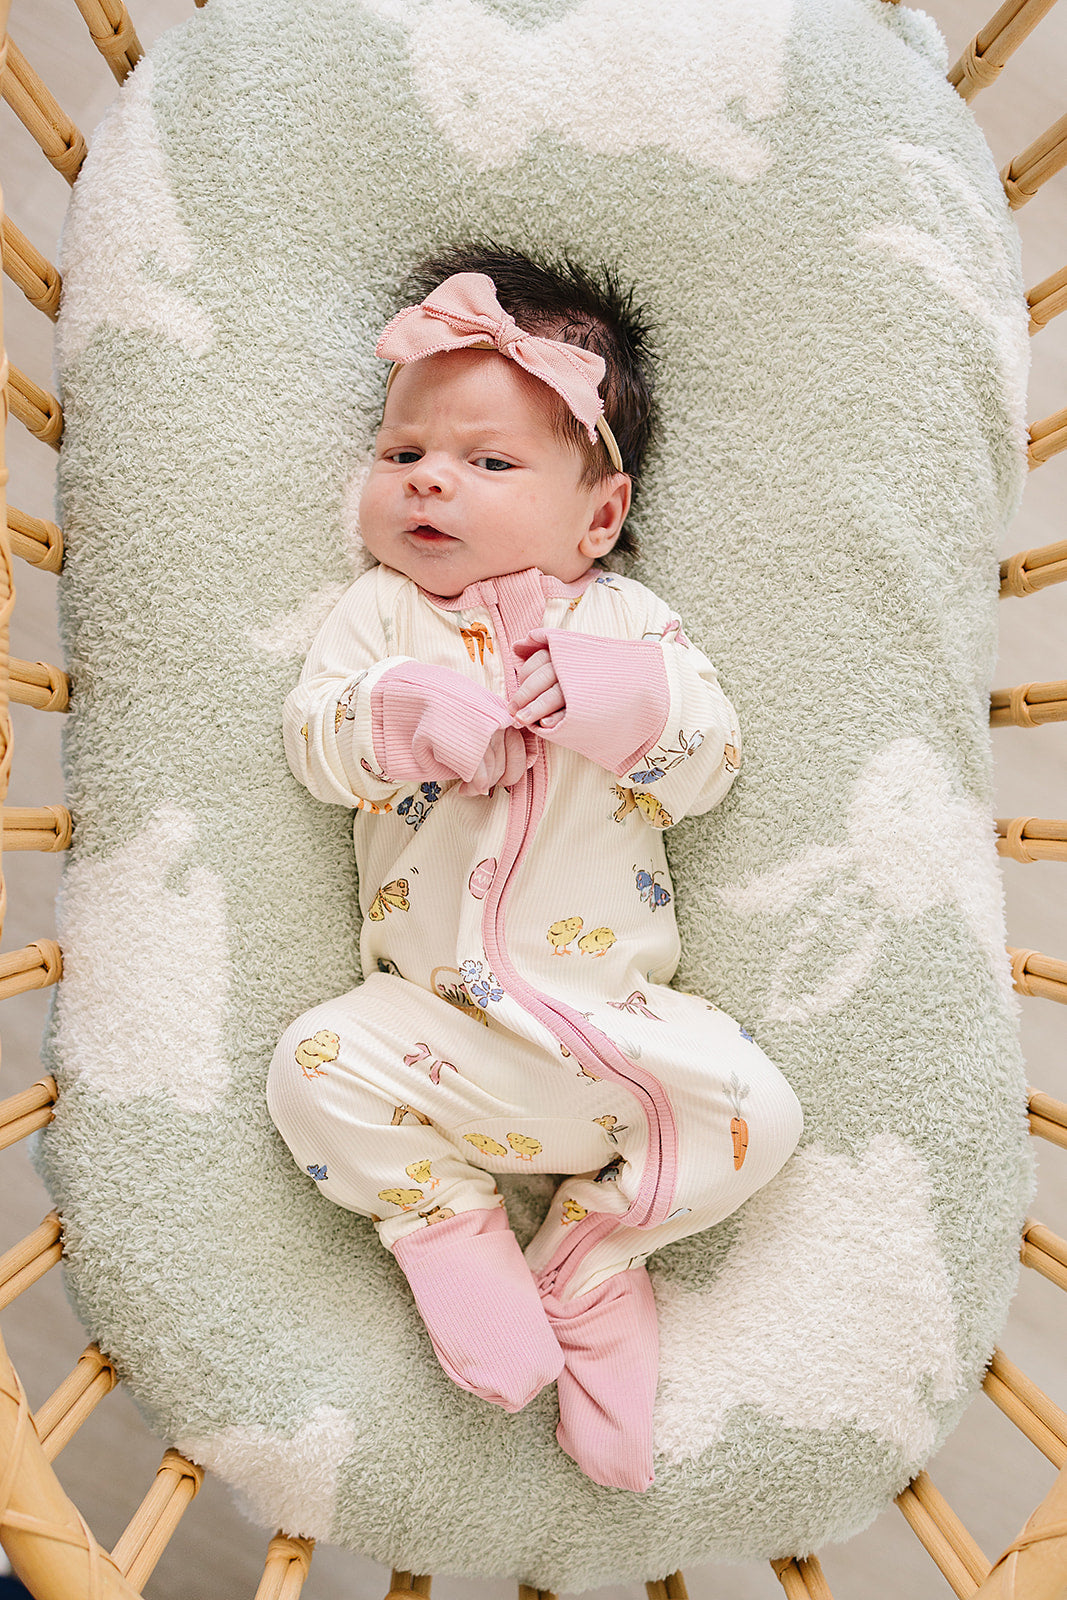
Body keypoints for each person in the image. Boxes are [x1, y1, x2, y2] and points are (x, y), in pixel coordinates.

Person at [267, 246, 803, 1491]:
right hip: (428, 1032)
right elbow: (314, 742)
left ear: (597, 518)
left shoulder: (631, 624)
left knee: (760, 1114)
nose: (428, 479)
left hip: (617, 1029)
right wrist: (400, 713)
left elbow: (708, 760)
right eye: (403, 453)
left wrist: (629, 705)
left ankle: (590, 1255)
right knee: (309, 1065)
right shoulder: (381, 616)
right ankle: (447, 1227)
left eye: (488, 462)